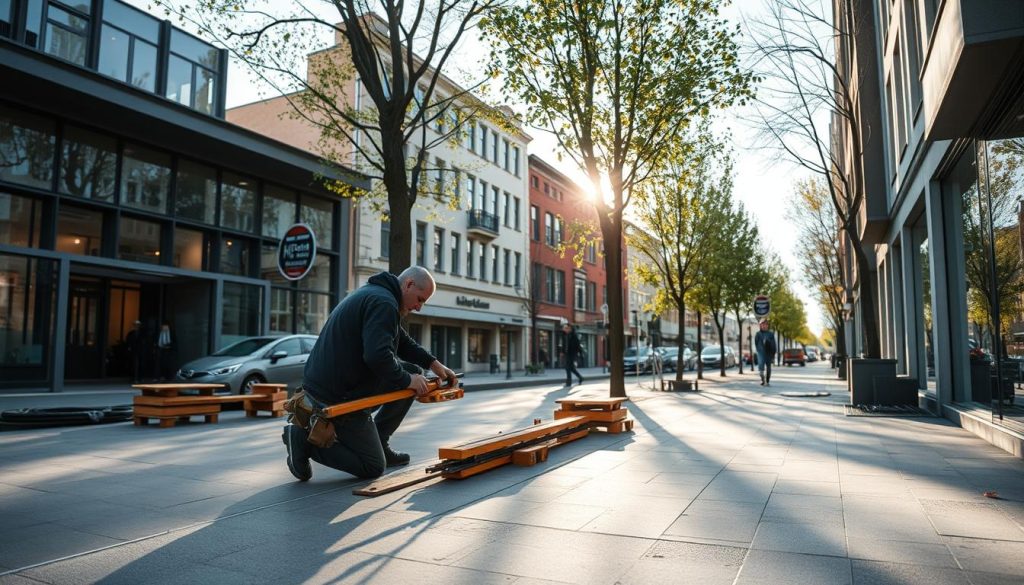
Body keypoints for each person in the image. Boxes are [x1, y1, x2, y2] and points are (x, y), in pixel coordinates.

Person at [283, 266, 458, 482]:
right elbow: (376, 356)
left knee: (414, 372)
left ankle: (380, 441)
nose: (419, 307)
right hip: (337, 394)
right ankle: (304, 442)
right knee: (373, 466)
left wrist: (434, 364)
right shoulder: (384, 303)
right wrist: (407, 380)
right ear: (409, 284)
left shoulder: (376, 294)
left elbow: (401, 341)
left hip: (330, 382)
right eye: (420, 299)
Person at [754, 319, 778, 386]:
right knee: (761, 368)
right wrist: (759, 349)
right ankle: (762, 380)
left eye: (765, 325)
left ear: (767, 326)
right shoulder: (758, 334)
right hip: (761, 353)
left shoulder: (770, 334)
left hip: (769, 353)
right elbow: (756, 343)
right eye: (762, 325)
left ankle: (767, 381)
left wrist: (773, 352)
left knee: (768, 367)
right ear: (760, 326)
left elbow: (774, 344)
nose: (764, 326)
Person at [562, 323, 584, 387]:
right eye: (565, 328)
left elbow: (578, 346)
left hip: (572, 354)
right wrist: (562, 352)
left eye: (567, 328)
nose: (565, 329)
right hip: (567, 353)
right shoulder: (565, 335)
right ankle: (580, 378)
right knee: (571, 368)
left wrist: (579, 353)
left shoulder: (574, 336)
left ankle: (569, 382)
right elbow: (564, 345)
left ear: (570, 329)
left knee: (567, 368)